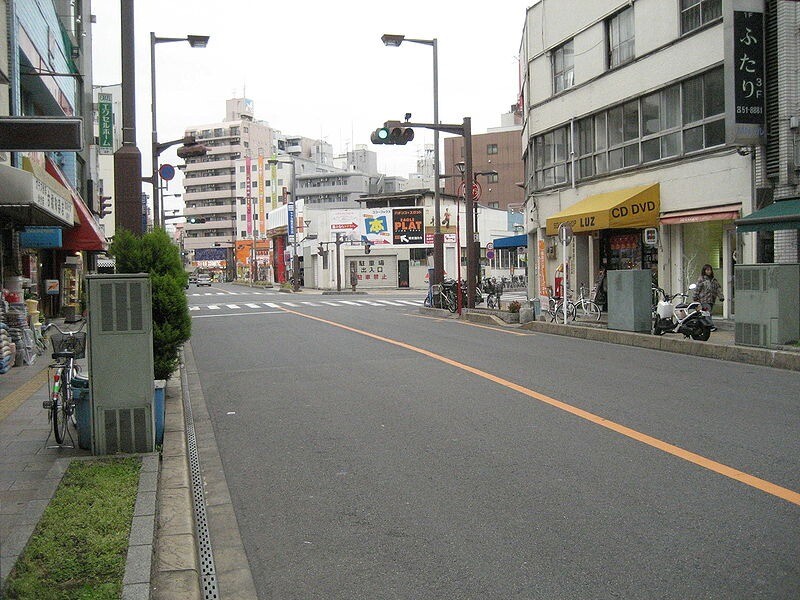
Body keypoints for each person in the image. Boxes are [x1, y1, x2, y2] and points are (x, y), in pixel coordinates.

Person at [693, 264, 724, 330]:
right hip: (704, 299)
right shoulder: (701, 279)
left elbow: (718, 289)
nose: (709, 271)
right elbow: (697, 289)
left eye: (710, 270)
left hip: (711, 300)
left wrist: (721, 297)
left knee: (707, 313)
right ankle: (710, 326)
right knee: (707, 313)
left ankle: (705, 326)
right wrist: (695, 297)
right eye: (707, 270)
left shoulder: (714, 280)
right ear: (704, 271)